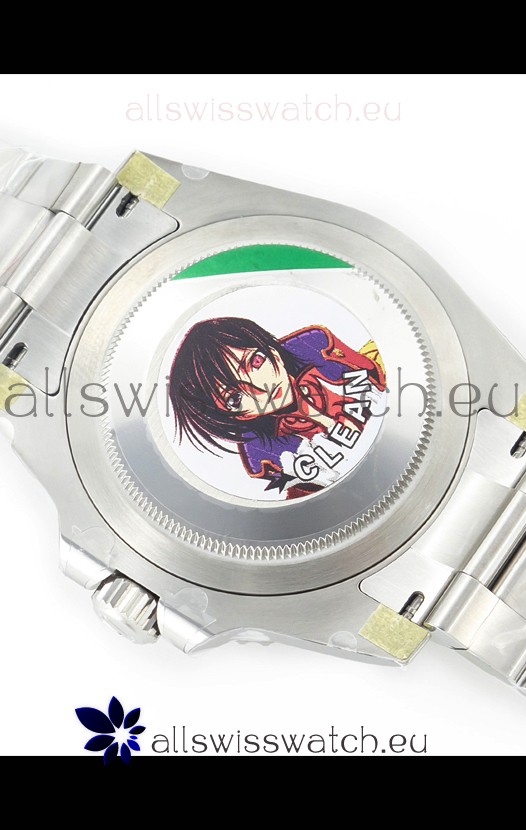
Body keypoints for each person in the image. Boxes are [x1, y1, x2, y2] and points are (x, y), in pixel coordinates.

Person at [169, 317, 386, 499]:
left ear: (273, 352)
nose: (261, 388)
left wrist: (350, 422)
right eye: (235, 398)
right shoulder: (260, 453)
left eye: (255, 362)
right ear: (227, 416)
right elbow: (312, 496)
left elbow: (374, 375)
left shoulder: (312, 346)